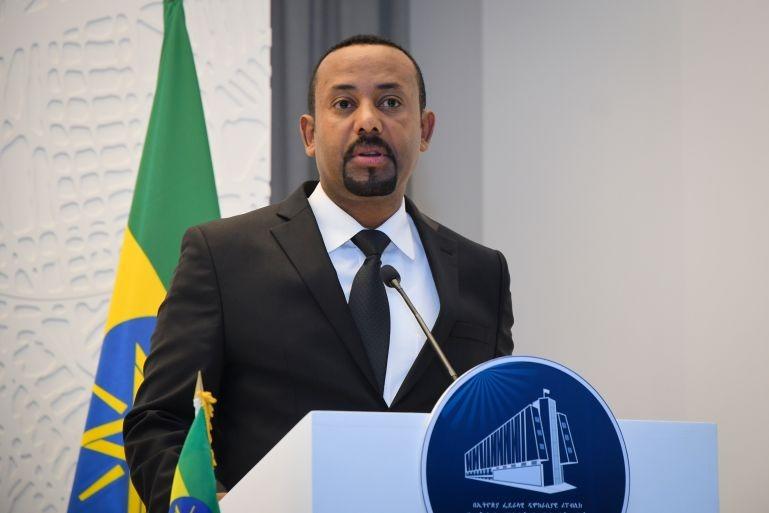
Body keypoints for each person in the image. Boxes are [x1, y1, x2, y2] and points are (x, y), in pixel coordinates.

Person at [124, 34, 514, 512]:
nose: (368, 121)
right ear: (309, 134)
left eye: (391, 103)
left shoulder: (482, 271)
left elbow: (494, 428)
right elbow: (160, 421)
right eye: (344, 103)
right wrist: (207, 504)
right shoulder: (223, 256)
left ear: (425, 130)